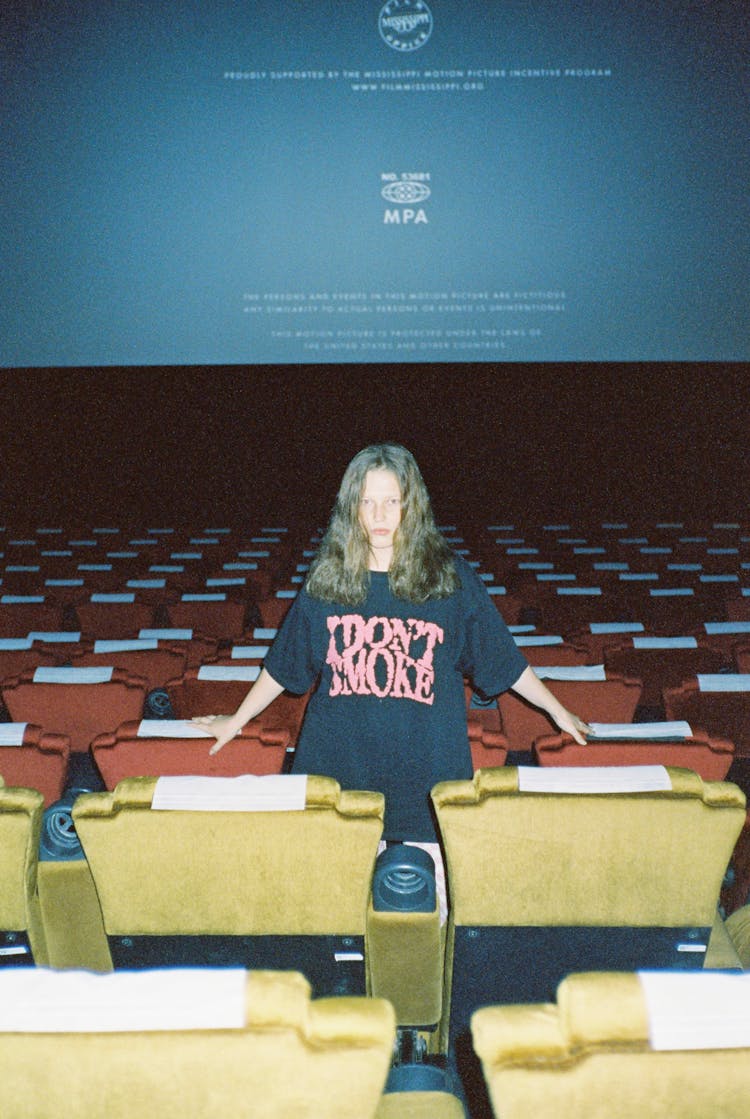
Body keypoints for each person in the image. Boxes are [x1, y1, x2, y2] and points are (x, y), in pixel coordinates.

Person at [193, 443, 591, 842]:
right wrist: (236, 719)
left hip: (425, 772)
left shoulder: (449, 579)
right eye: (367, 501)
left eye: (392, 501)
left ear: (411, 506)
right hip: (339, 764)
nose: (380, 515)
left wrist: (557, 711)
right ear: (352, 508)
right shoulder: (329, 577)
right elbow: (285, 665)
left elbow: (502, 658)